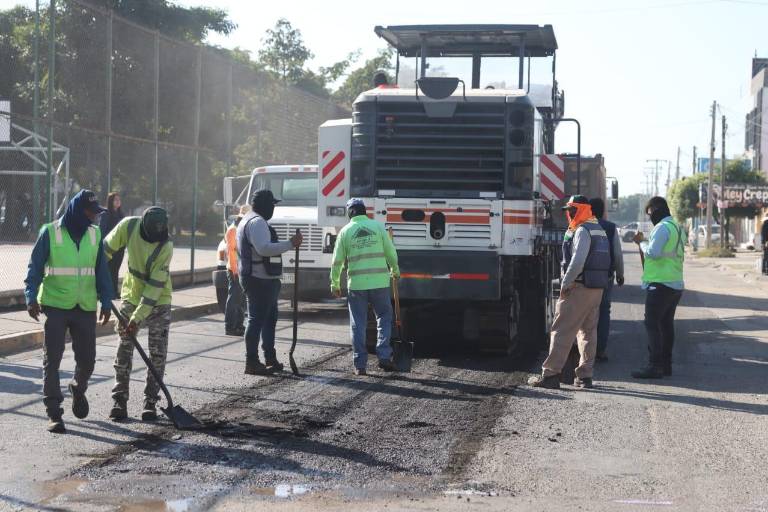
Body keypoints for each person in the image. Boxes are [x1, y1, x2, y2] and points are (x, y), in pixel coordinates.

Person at [23, 189, 114, 433]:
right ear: (77, 210)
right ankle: (54, 412)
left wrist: (106, 301)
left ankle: (78, 387)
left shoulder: (95, 234)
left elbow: (101, 271)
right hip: (55, 305)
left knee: (88, 360)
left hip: (84, 305)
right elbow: (35, 267)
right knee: (51, 360)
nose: (94, 218)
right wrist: (31, 297)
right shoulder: (50, 232)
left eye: (96, 214)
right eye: (90, 213)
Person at [529, 195, 611, 389]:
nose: (569, 213)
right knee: (588, 333)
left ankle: (550, 375)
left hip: (579, 288)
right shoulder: (598, 229)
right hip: (596, 289)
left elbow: (577, 261)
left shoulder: (582, 230)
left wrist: (565, 284)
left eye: (572, 210)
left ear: (581, 210)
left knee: (561, 330)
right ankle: (584, 376)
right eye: (568, 210)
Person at [105, 207, 173, 421]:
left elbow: (154, 289)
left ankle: (150, 403)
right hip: (131, 295)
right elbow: (104, 249)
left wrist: (136, 319)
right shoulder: (129, 226)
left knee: (157, 353)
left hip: (159, 300)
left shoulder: (166, 245)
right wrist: (97, 275)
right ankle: (119, 400)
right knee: (124, 345)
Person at [330, 198, 400, 376]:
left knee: (358, 324)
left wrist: (335, 283)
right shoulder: (377, 227)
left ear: (349, 213)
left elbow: (337, 261)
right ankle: (384, 356)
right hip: (379, 283)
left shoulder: (345, 232)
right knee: (384, 317)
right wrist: (395, 269)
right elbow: (390, 251)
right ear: (364, 211)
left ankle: (360, 365)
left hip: (357, 286)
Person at [237, 189, 302, 376]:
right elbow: (264, 249)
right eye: (272, 205)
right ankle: (252, 361)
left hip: (261, 277)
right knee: (257, 319)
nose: (273, 208)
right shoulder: (256, 222)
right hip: (259, 279)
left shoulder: (249, 220)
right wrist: (290, 243)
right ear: (265, 205)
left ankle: (269, 358)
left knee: (268, 319)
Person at [631, 196, 686, 379]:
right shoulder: (676, 227)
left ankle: (655, 365)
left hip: (661, 284)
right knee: (665, 324)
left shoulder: (662, 228)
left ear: (655, 209)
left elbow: (653, 252)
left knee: (652, 323)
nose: (650, 217)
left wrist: (641, 242)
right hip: (675, 283)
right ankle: (665, 365)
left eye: (650, 213)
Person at [588, 197, 625, 361]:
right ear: (603, 211)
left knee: (586, 313)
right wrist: (620, 274)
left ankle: (585, 351)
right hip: (605, 277)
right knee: (604, 312)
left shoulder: (583, 226)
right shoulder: (610, 228)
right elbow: (617, 253)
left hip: (586, 278)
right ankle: (600, 350)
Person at [224, 205, 249, 336]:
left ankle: (238, 325)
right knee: (234, 299)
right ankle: (230, 326)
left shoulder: (239, 228)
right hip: (234, 269)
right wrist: (235, 271)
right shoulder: (233, 230)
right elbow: (232, 252)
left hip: (240, 269)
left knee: (240, 299)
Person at [99, 192, 125, 292]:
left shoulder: (121, 215)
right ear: (110, 201)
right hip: (109, 248)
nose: (118, 201)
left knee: (116, 269)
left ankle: (114, 291)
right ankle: (108, 291)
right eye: (115, 199)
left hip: (120, 248)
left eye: (119, 199)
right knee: (109, 270)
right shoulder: (105, 214)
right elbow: (102, 231)